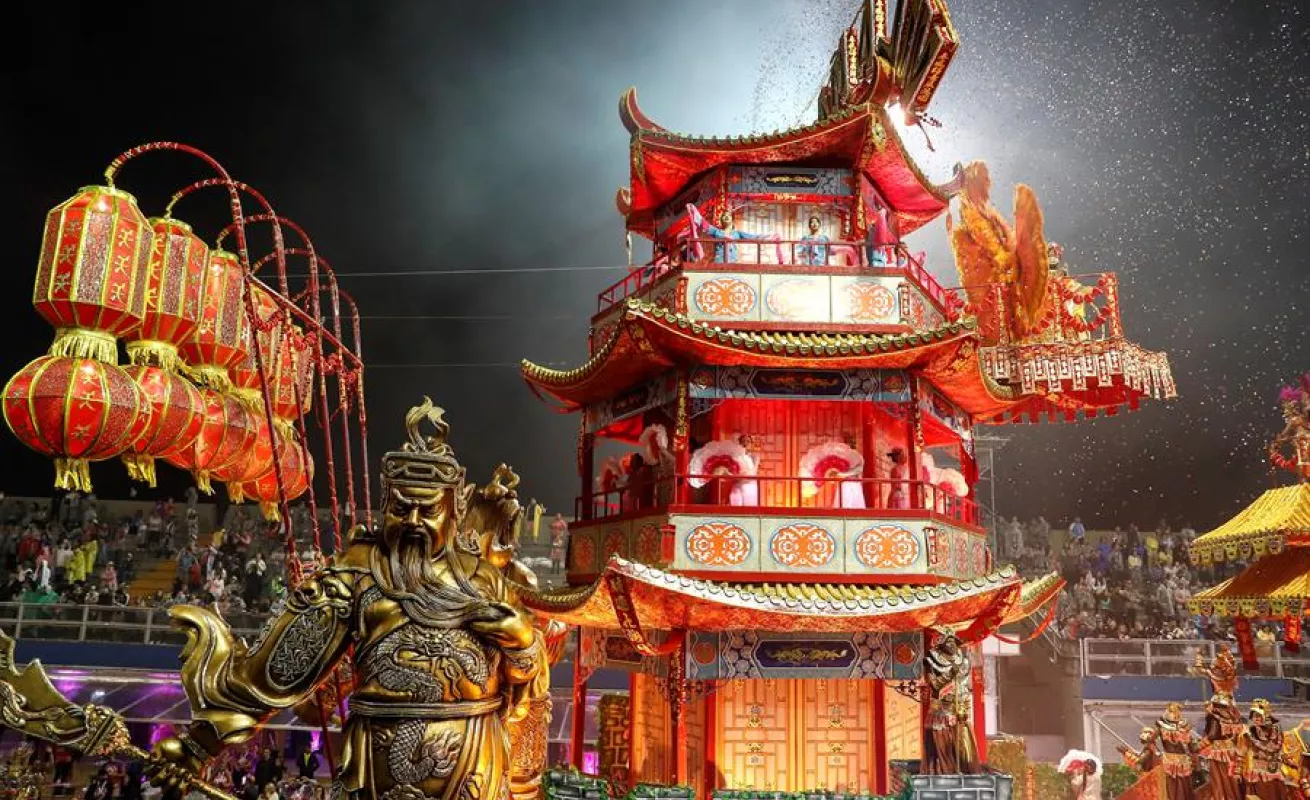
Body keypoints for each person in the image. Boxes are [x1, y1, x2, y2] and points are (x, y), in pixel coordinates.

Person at [149, 399, 546, 800]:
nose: (411, 522)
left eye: (427, 511)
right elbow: (274, 673)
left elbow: (523, 696)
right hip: (377, 767)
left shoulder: (485, 581)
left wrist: (523, 641)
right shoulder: (355, 574)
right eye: (399, 509)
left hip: (477, 761)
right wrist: (196, 748)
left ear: (454, 510)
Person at [689, 206, 773, 263]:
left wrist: (769, 237)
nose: (725, 217)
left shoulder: (737, 233)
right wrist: (694, 211)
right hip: (719, 260)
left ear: (732, 220)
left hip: (733, 261)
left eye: (728, 216)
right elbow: (704, 224)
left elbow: (754, 237)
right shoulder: (716, 231)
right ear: (721, 221)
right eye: (723, 216)